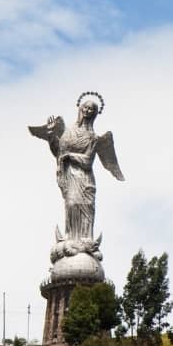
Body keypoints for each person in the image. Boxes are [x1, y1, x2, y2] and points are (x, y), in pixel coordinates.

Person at [29, 93, 124, 242]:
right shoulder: (68, 132)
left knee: (86, 206)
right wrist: (51, 135)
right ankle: (70, 237)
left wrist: (71, 156)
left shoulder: (93, 137)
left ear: (95, 114)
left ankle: (87, 239)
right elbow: (58, 153)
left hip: (84, 178)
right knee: (71, 203)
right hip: (69, 175)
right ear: (80, 109)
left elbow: (87, 161)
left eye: (91, 109)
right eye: (85, 108)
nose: (87, 111)